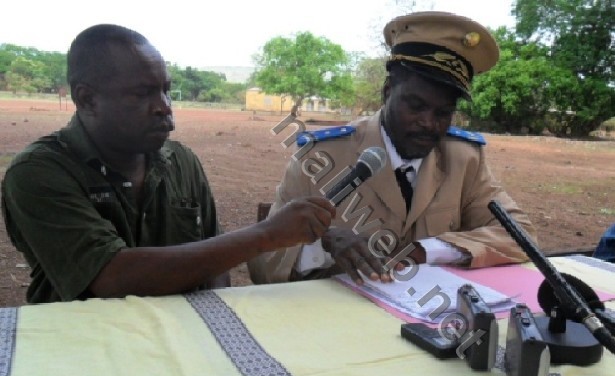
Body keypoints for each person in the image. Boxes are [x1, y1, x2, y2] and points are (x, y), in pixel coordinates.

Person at [0, 24, 335, 304]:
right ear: (86, 99)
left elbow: (214, 261)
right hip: (89, 352)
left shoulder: (181, 162)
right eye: (142, 93)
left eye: (165, 90)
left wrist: (214, 323)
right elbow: (112, 277)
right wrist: (266, 234)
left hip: (182, 346)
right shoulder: (39, 173)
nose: (163, 106)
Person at [248, 11, 537, 285]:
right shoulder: (321, 157)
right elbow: (264, 265)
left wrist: (427, 250)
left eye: (443, 113)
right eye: (416, 106)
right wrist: (323, 244)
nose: (429, 123)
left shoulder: (464, 158)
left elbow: (520, 234)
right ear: (387, 92)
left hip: (432, 320)